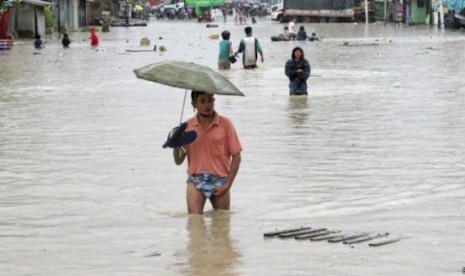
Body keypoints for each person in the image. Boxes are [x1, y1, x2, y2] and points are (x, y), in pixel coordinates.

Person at [173, 91, 242, 214]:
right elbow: (178, 161)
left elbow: (236, 156)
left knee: (222, 225)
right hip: (196, 179)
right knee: (195, 224)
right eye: (202, 101)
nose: (207, 105)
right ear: (194, 104)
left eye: (210, 100)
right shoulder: (187, 127)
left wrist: (227, 185)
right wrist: (176, 143)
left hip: (220, 180)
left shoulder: (225, 124)